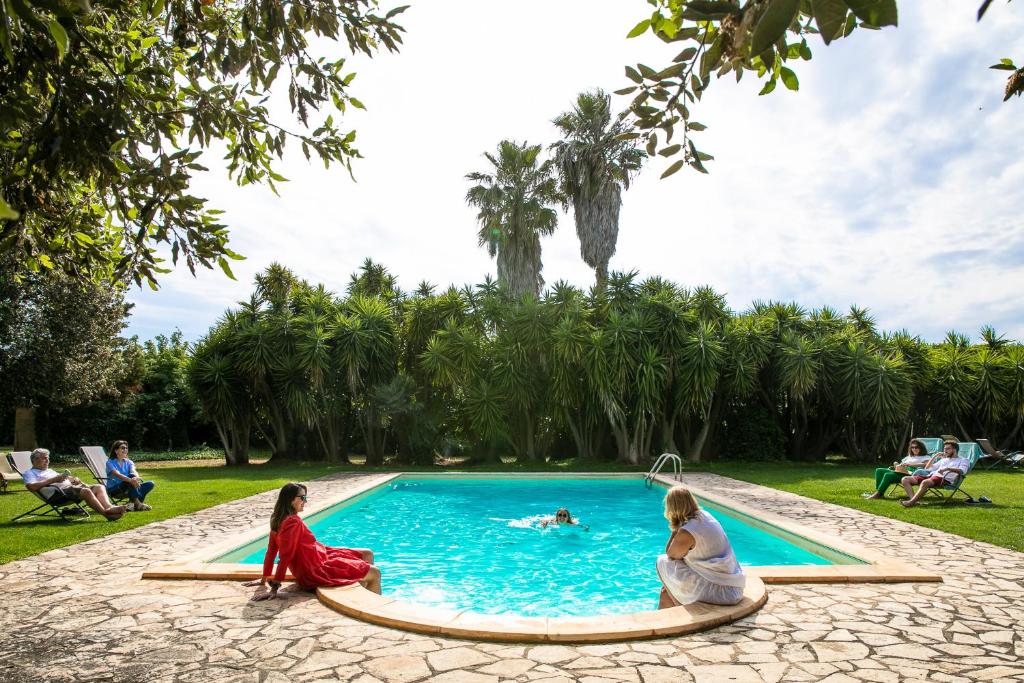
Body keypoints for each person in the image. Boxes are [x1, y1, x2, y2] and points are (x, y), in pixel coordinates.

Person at [246, 483, 382, 601]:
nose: (305, 501)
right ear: (290, 500)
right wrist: (274, 588)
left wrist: (264, 579)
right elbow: (285, 556)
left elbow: (271, 552)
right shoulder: (292, 522)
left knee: (367, 554)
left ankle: (361, 594)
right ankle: (375, 610)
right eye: (303, 498)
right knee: (375, 573)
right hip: (314, 568)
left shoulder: (278, 519)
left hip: (319, 555)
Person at [656, 486, 745, 608]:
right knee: (665, 591)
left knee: (662, 562)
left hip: (722, 593)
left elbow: (670, 554)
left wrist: (676, 526)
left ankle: (680, 606)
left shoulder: (687, 532)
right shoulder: (705, 515)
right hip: (735, 587)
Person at [21, 448, 126, 521]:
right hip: (58, 495)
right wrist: (53, 480)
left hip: (70, 490)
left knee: (99, 486)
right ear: (34, 460)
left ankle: (109, 507)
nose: (47, 460)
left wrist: (73, 479)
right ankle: (106, 514)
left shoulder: (50, 470)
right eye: (44, 458)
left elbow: (62, 478)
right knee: (86, 491)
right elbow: (31, 487)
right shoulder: (29, 473)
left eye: (47, 457)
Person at [900, 441, 971, 508]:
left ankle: (911, 502)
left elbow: (963, 471)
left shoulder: (963, 460)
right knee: (905, 479)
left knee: (925, 482)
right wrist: (935, 456)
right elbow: (927, 468)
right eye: (944, 449)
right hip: (931, 476)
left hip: (944, 479)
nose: (945, 451)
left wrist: (947, 469)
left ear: (954, 449)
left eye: (948, 449)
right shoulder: (944, 459)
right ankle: (914, 501)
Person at [863, 439, 938, 500]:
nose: (914, 449)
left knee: (888, 475)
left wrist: (911, 464)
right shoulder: (909, 457)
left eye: (916, 447)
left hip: (912, 475)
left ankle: (878, 494)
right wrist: (897, 465)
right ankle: (879, 492)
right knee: (879, 470)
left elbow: (926, 465)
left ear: (921, 448)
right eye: (912, 447)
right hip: (902, 471)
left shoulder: (925, 457)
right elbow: (901, 464)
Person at [105, 440, 156, 511]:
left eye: (126, 448)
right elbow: (118, 475)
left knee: (150, 484)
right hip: (115, 489)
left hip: (129, 486)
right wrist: (131, 480)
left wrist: (136, 478)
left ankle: (131, 503)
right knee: (131, 477)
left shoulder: (129, 462)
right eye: (122, 448)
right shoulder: (110, 462)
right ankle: (138, 503)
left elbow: (133, 471)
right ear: (116, 451)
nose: (125, 449)